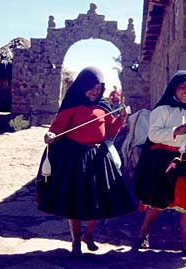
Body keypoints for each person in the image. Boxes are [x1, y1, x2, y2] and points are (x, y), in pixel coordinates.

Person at [35, 66, 137, 256]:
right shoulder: (72, 107)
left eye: (99, 89)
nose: (95, 93)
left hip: (97, 158)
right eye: (91, 88)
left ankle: (88, 234)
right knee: (75, 202)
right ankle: (75, 242)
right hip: (76, 160)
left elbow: (110, 133)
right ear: (82, 86)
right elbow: (55, 131)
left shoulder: (103, 107)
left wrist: (121, 119)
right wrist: (50, 135)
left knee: (99, 200)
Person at [133, 70, 186, 257]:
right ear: (174, 88)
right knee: (158, 203)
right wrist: (174, 131)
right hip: (166, 161)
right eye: (183, 87)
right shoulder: (162, 109)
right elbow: (153, 134)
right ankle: (143, 235)